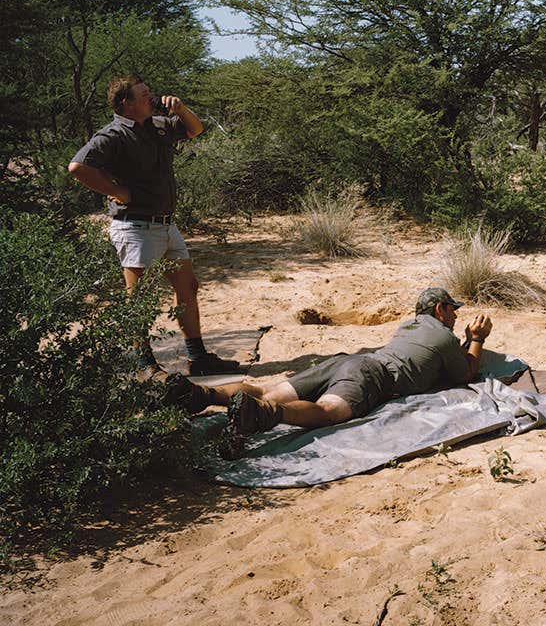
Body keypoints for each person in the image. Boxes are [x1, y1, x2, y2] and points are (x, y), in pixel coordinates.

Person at [168, 288, 493, 458]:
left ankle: (202, 394)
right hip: (372, 373)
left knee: (268, 388)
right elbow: (467, 373)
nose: (455, 316)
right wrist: (475, 339)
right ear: (440, 309)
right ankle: (263, 415)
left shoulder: (408, 324)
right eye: (453, 309)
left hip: (347, 360)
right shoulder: (443, 334)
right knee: (328, 412)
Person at [68, 75, 240, 375]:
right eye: (144, 94)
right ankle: (144, 365)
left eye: (150, 93)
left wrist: (181, 108)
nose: (152, 97)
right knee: (141, 297)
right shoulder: (113, 135)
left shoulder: (159, 125)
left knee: (188, 287)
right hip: (135, 226)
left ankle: (198, 359)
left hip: (165, 224)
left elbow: (195, 129)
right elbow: (78, 167)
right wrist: (116, 191)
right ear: (126, 103)